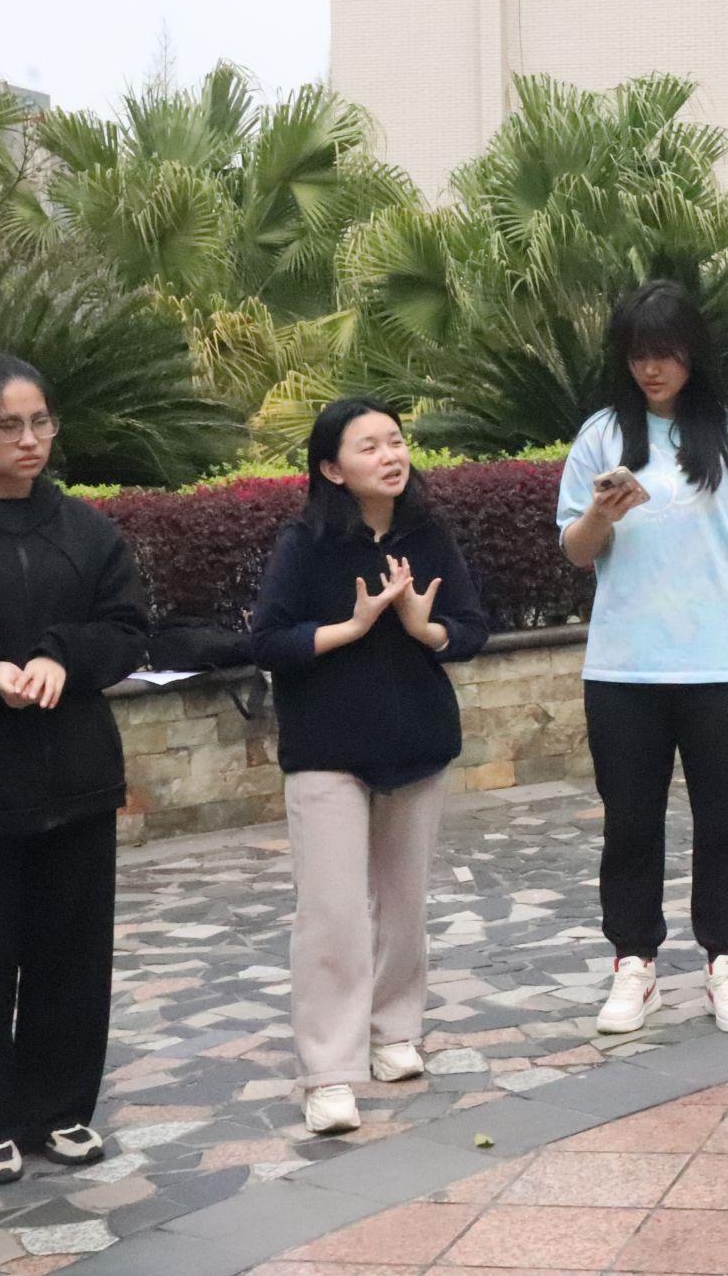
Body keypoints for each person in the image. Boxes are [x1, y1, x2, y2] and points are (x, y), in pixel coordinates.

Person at [0, 355, 152, 1186]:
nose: (29, 439)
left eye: (41, 421)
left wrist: (61, 657)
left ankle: (62, 1107)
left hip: (78, 777)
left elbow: (127, 627)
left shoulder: (83, 528)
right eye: (8, 425)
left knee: (73, 953)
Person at [557, 280, 728, 1037]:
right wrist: (602, 515)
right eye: (637, 354)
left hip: (725, 666)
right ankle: (634, 964)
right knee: (630, 823)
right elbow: (575, 550)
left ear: (693, 352)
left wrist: (704, 587)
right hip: (624, 668)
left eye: (665, 353)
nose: (651, 369)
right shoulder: (601, 436)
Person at [251, 397, 490, 1135]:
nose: (390, 456)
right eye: (369, 446)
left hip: (416, 742)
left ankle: (394, 1031)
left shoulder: (428, 534)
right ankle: (327, 1070)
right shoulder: (305, 543)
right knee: (332, 914)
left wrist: (425, 627)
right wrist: (349, 628)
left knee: (403, 905)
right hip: (326, 750)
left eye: (395, 441)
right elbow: (268, 640)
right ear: (332, 468)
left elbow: (472, 629)